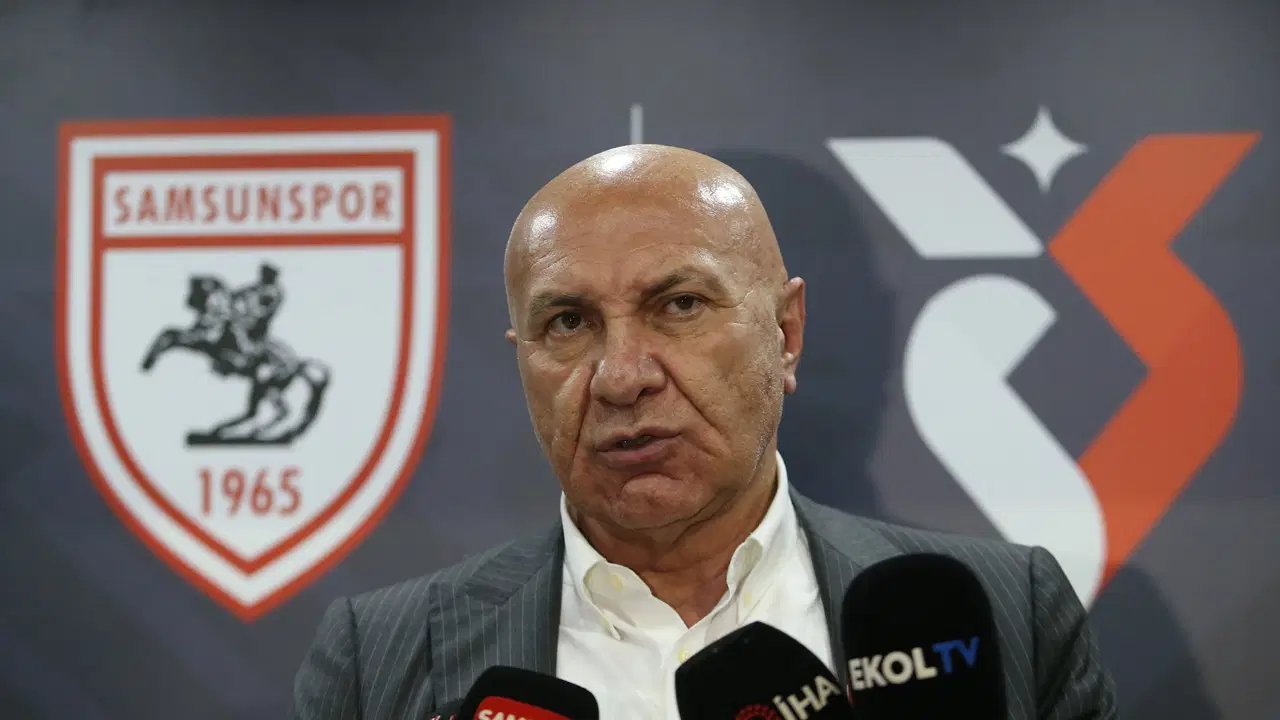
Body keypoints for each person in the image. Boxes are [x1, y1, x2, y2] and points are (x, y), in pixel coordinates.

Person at [290, 145, 1117, 719]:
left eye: (679, 305)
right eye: (568, 322)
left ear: (786, 333)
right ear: (522, 357)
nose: (621, 377)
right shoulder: (380, 656)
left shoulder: (1007, 615)